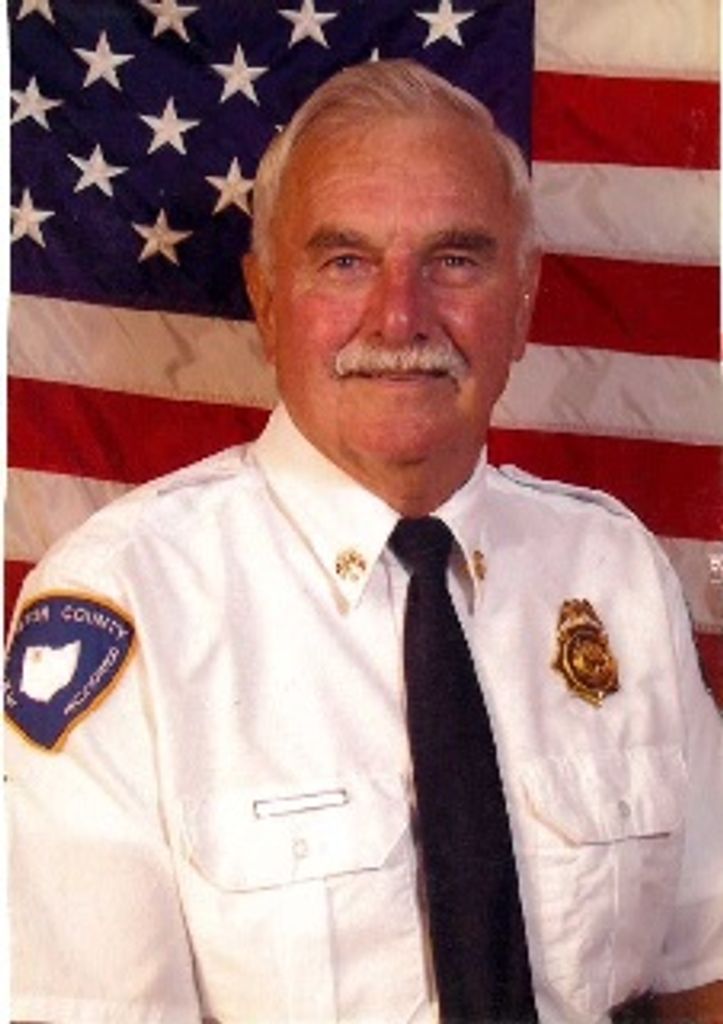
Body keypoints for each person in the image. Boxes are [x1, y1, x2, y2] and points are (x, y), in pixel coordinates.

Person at [5, 59, 723, 1024]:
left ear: (522, 301)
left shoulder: (612, 570)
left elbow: (704, 968)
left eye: (455, 260)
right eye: (344, 261)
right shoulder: (130, 605)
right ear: (265, 301)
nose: (399, 316)